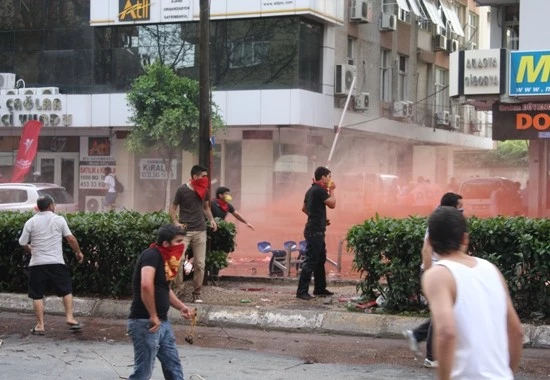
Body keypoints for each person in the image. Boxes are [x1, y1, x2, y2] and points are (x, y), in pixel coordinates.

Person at [421, 206, 523, 380]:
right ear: (464, 238)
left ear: (429, 241)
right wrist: (507, 373)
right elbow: (516, 331)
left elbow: (446, 332)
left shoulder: (437, 275)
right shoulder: (491, 269)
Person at [403, 192, 463, 369]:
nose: (461, 209)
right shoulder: (437, 224)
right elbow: (426, 251)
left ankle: (417, 335)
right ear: (451, 208)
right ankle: (431, 356)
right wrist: (429, 275)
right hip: (437, 272)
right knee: (440, 314)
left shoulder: (449, 223)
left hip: (446, 271)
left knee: (446, 312)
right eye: (459, 206)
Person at [127, 224, 194, 380]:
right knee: (143, 372)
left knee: (173, 366)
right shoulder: (151, 255)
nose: (181, 245)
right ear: (165, 243)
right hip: (146, 322)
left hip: (162, 322)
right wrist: (153, 315)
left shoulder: (166, 260)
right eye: (178, 241)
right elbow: (146, 284)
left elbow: (164, 289)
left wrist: (181, 307)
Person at [18, 195, 84, 335]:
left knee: (37, 295)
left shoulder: (31, 222)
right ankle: (70, 318)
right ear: (50, 206)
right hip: (56, 262)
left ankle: (40, 325)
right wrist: (78, 252)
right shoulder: (58, 219)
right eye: (53, 204)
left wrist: (31, 250)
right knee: (66, 290)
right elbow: (70, 238)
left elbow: (22, 242)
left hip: (37, 264)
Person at [171, 165, 217, 303]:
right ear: (195, 177)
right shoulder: (182, 190)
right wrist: (175, 222)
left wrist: (212, 220)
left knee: (200, 264)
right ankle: (178, 288)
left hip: (200, 230)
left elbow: (206, 207)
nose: (206, 179)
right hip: (184, 232)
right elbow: (173, 209)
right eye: (203, 176)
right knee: (178, 261)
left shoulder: (205, 191)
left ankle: (197, 292)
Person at [296, 166, 336, 300]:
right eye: (329, 176)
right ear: (323, 177)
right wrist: (332, 190)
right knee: (311, 261)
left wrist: (319, 218)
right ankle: (302, 292)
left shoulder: (311, 190)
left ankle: (319, 288)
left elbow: (304, 208)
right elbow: (332, 204)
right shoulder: (320, 190)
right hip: (315, 231)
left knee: (320, 260)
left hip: (315, 228)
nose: (330, 179)